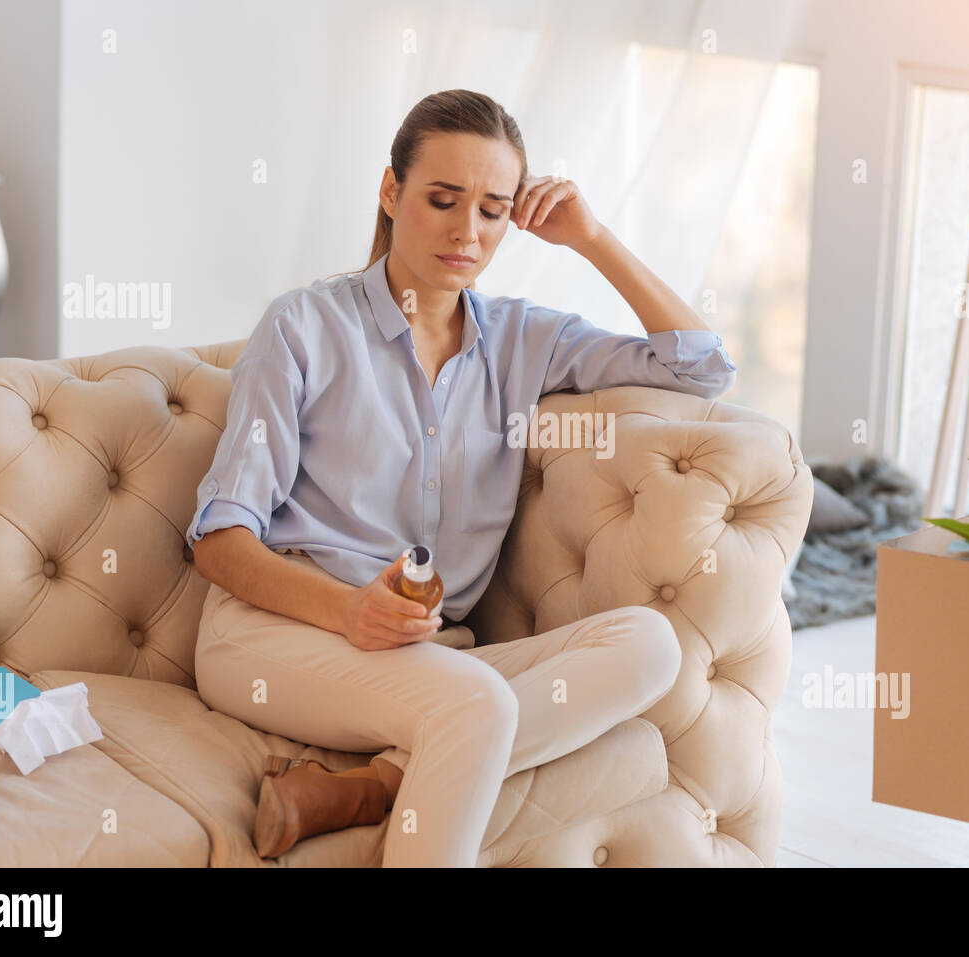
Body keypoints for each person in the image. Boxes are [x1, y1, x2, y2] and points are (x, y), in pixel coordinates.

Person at [186, 88, 738, 867]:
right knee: (474, 701)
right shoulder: (303, 327)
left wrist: (593, 238)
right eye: (443, 200)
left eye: (492, 209)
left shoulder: (523, 338)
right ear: (391, 191)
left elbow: (702, 366)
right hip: (274, 635)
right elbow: (219, 541)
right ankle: (391, 774)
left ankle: (372, 786)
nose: (466, 232)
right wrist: (349, 612)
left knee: (649, 645)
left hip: (429, 660)